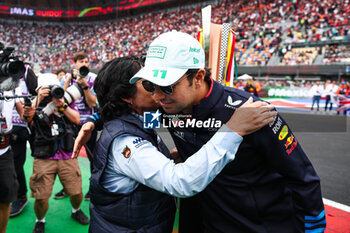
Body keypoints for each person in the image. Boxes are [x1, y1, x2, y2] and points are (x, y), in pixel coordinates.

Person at [76, 31, 325, 232]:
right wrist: (96, 121)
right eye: (151, 85)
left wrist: (314, 226)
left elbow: (302, 175)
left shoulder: (249, 112)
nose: (158, 95)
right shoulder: (165, 107)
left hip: (260, 224)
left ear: (198, 76)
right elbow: (127, 110)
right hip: (207, 220)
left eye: (167, 86)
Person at [73, 56, 275, 233]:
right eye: (149, 84)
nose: (158, 90)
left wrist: (94, 120)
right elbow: (180, 182)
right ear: (126, 96)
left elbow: (112, 110)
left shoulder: (141, 116)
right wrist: (232, 130)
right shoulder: (124, 142)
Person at [29, 74, 89, 233]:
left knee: (76, 192)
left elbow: (77, 119)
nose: (50, 93)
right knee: (41, 197)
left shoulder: (66, 100)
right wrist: (38, 98)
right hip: (43, 156)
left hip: (67, 154)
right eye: (46, 90)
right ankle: (40, 219)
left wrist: (62, 105)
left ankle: (76, 210)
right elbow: (27, 119)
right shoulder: (34, 104)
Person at [55, 52, 97, 200]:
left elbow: (92, 103)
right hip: (70, 123)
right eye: (81, 61)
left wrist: (84, 86)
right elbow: (60, 98)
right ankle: (67, 188)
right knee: (68, 158)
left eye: (86, 61)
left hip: (89, 123)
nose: (84, 64)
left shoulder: (93, 78)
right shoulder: (67, 77)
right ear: (74, 64)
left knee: (93, 158)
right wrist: (69, 79)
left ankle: (93, 189)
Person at [0, 86, 32, 233]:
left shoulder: (12, 85)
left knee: (6, 198)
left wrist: (27, 113)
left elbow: (23, 116)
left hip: (4, 150)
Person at [10, 64, 38, 217]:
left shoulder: (25, 70)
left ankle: (21, 196)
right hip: (5, 125)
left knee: (15, 163)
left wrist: (29, 115)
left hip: (19, 126)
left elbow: (37, 93)